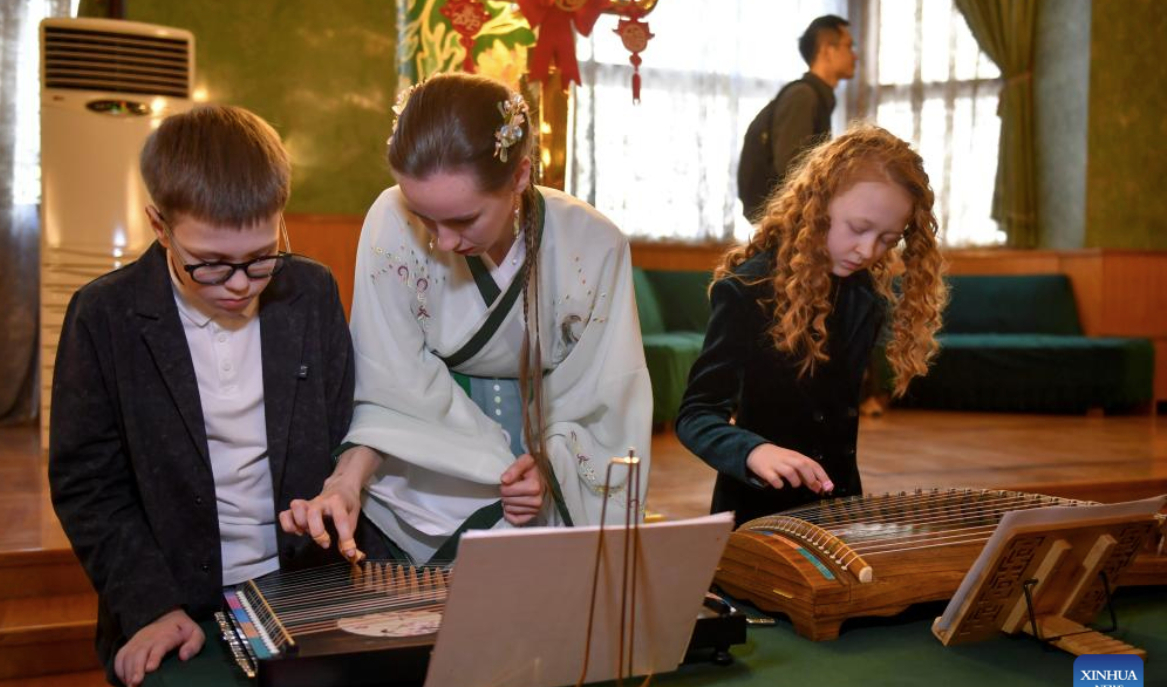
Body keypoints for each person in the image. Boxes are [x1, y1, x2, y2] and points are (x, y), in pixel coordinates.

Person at [48, 105, 376, 687]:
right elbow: (88, 484)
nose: (240, 284)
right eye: (211, 264)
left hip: (304, 592)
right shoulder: (106, 316)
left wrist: (334, 492)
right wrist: (148, 604)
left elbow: (343, 431)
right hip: (172, 603)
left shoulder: (309, 291)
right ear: (158, 224)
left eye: (260, 257)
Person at [281, 73, 652, 564]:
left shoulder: (594, 244)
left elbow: (604, 395)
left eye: (462, 220)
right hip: (429, 461)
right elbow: (391, 388)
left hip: (551, 453)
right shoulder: (391, 221)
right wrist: (344, 481)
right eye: (425, 217)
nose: (442, 242)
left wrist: (550, 467)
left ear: (519, 177)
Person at [678, 125, 947, 526]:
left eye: (888, 240)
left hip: (837, 514)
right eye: (858, 229)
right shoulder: (749, 288)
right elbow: (696, 414)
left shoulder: (864, 298)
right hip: (756, 515)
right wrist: (753, 451)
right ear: (817, 206)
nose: (868, 251)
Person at [736, 14, 857, 223]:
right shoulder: (804, 96)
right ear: (828, 50)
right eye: (849, 46)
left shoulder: (813, 95)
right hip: (783, 221)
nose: (855, 56)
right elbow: (793, 168)